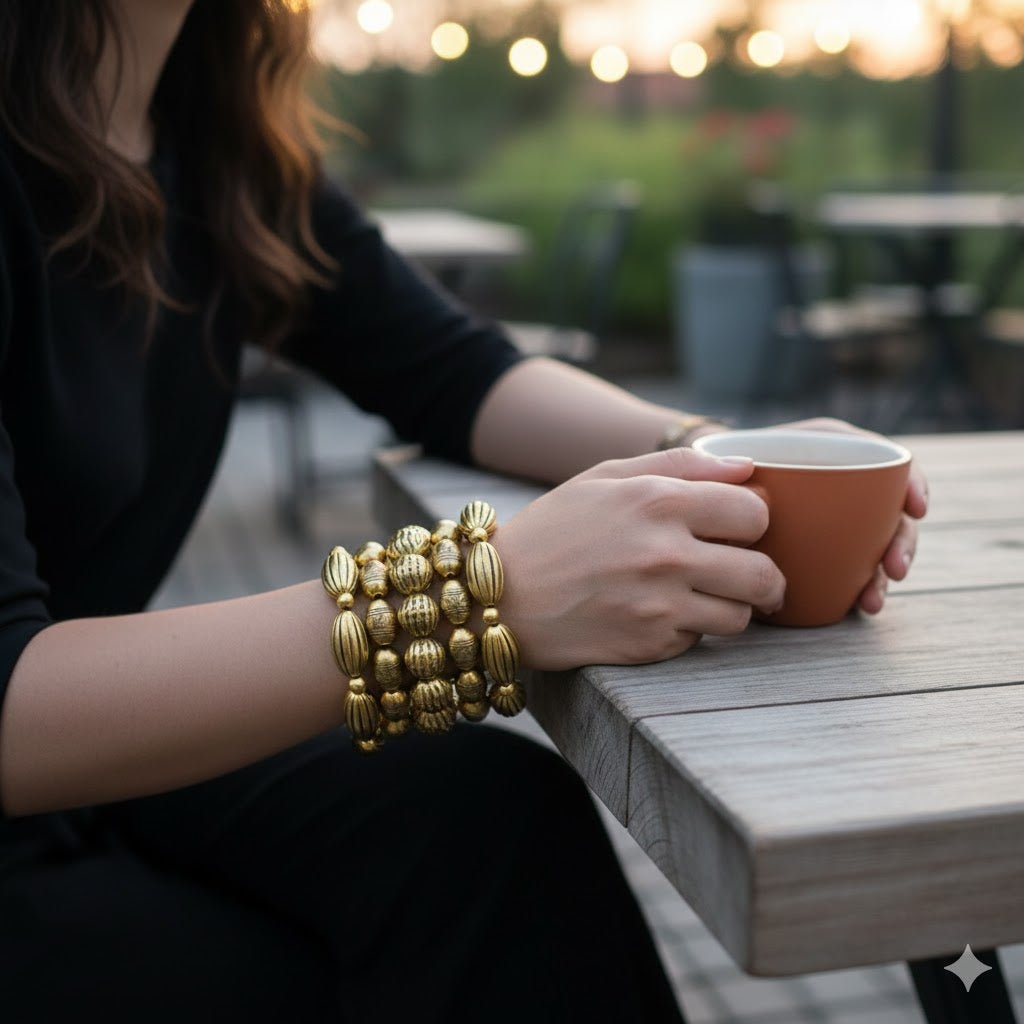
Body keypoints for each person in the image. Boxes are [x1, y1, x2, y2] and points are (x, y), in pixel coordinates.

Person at [0, 2, 927, 1022]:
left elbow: (450, 370)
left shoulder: (211, 136)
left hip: (96, 784)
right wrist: (482, 596)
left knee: (491, 818)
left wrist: (725, 461)